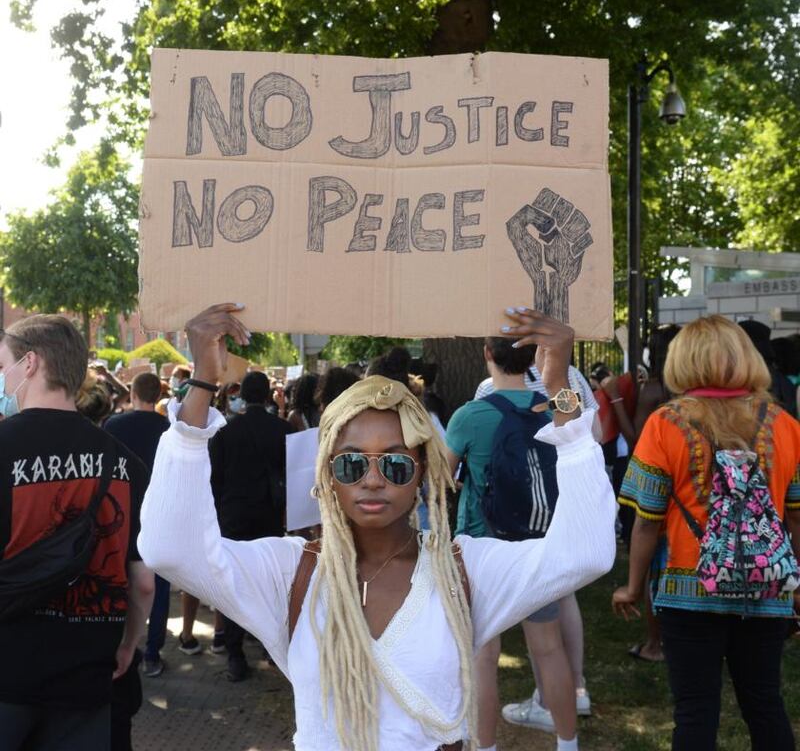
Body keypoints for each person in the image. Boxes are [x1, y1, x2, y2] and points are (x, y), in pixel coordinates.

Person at [139, 303, 616, 751]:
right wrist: (200, 383)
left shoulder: (464, 571)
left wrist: (559, 388)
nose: (372, 480)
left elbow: (586, 551)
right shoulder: (289, 575)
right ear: (327, 475)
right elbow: (169, 548)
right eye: (350, 465)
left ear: (423, 473)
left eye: (394, 465)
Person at [613, 315, 800, 751]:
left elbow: (646, 520)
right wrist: (795, 587)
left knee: (695, 711)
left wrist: (633, 586)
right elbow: (796, 519)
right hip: (766, 588)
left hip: (686, 590)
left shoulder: (665, 423)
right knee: (766, 705)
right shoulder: (785, 425)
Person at [0, 315, 154, 751]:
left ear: (29, 364)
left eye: (3, 365)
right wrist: (128, 645)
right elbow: (143, 582)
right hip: (90, 679)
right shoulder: (126, 464)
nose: (1, 377)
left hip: (8, 672)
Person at [446, 337, 586, 748]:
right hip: (538, 544)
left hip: (480, 548)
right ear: (531, 357)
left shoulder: (469, 416)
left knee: (482, 656)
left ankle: (485, 746)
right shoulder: (553, 410)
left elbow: (440, 477)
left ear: (487, 353)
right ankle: (567, 743)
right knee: (548, 647)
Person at [208, 370, 295, 681]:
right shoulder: (283, 430)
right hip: (269, 515)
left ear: (242, 395)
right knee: (269, 581)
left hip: (233, 516)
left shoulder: (224, 433)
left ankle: (235, 653)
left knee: (235, 584)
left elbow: (214, 479)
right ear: (268, 394)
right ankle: (270, 646)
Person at [603, 324, 680, 663]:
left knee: (653, 564)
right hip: (688, 487)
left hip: (655, 484)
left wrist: (614, 396)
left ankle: (655, 643)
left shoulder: (654, 391)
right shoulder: (689, 392)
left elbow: (635, 438)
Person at [105, 373, 171, 678]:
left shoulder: (114, 425)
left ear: (133, 393)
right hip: (158, 516)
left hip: (121, 514)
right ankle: (153, 653)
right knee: (157, 585)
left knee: (121, 578)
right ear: (158, 395)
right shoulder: (169, 430)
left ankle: (121, 642)